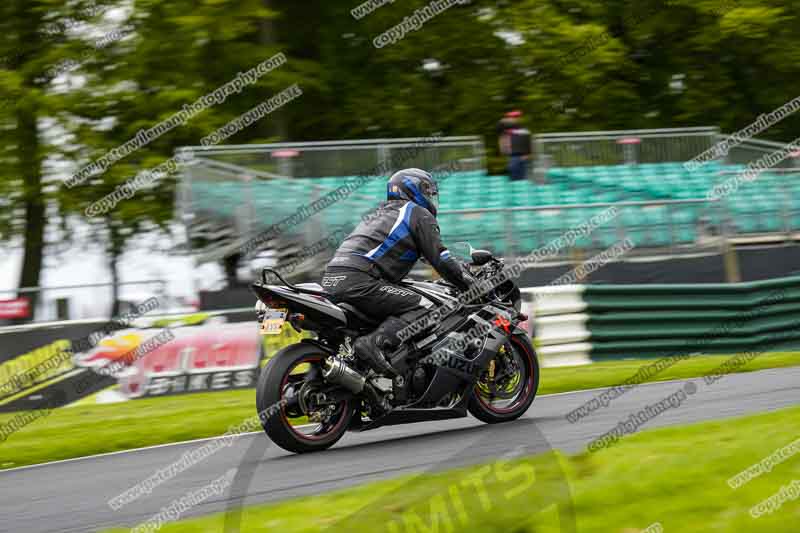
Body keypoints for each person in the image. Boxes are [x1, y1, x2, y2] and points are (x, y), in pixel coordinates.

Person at [322, 168, 472, 377]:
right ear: (413, 190)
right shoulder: (417, 213)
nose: (430, 197)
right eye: (427, 191)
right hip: (361, 279)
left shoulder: (380, 214)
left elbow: (413, 253)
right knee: (426, 306)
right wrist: (468, 284)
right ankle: (373, 344)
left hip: (332, 278)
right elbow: (441, 259)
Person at [497, 110, 532, 181]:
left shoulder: (524, 131)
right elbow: (499, 125)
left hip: (523, 156)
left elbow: (527, 143)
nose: (515, 119)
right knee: (514, 175)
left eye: (517, 117)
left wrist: (528, 154)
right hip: (512, 156)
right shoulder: (505, 131)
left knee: (523, 177)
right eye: (513, 117)